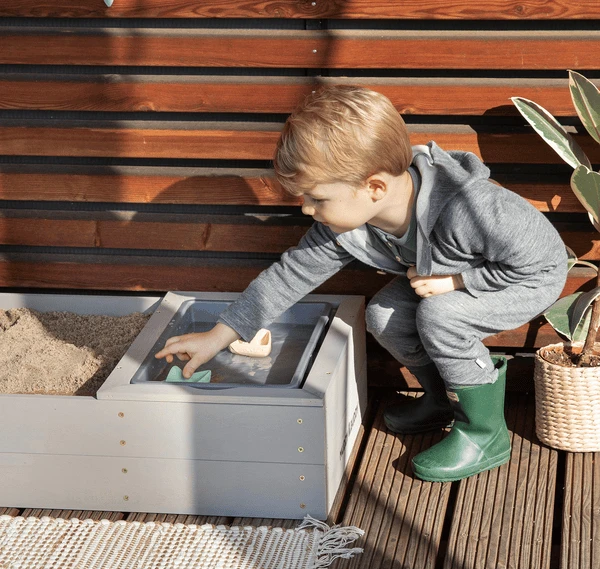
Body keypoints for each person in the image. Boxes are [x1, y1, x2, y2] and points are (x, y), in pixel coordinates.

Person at [155, 85, 568, 482]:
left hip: (527, 279)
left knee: (441, 316)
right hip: (444, 281)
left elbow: (543, 261)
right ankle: (444, 399)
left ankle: (484, 434)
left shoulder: (471, 207)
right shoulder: (347, 225)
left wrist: (460, 280)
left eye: (316, 197)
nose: (306, 209)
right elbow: (290, 274)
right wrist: (219, 335)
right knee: (384, 316)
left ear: (374, 187)